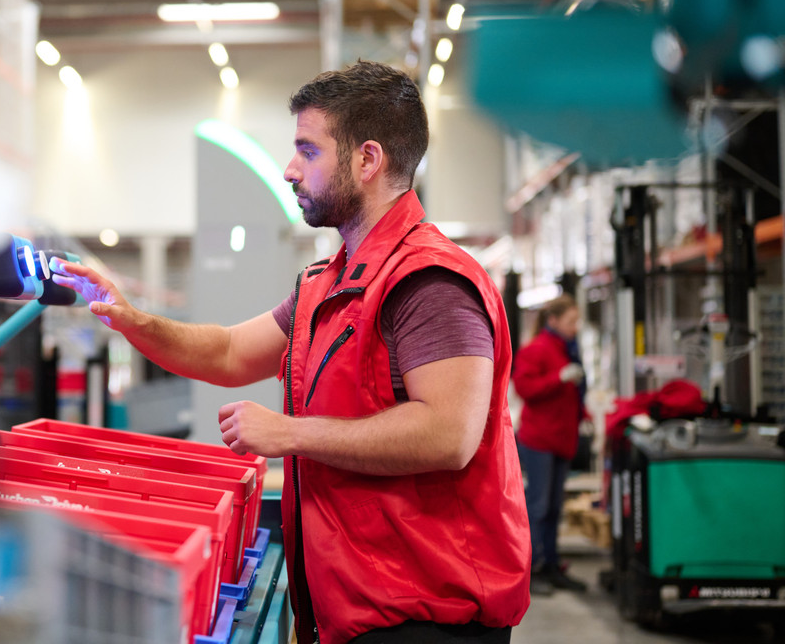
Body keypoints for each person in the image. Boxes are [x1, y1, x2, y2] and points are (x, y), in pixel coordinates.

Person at [52, 60, 530, 643]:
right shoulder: (329, 283)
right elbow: (229, 352)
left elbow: (448, 436)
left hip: (428, 617)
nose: (288, 170)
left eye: (308, 151)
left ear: (367, 159)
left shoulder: (429, 282)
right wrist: (133, 320)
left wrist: (292, 434)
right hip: (356, 609)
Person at [512, 294, 588, 595]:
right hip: (539, 439)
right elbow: (524, 387)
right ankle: (529, 570)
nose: (575, 327)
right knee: (538, 505)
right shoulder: (538, 349)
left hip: (562, 438)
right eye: (571, 321)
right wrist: (559, 377)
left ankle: (552, 564)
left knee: (555, 507)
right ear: (553, 321)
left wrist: (584, 413)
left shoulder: (569, 349)